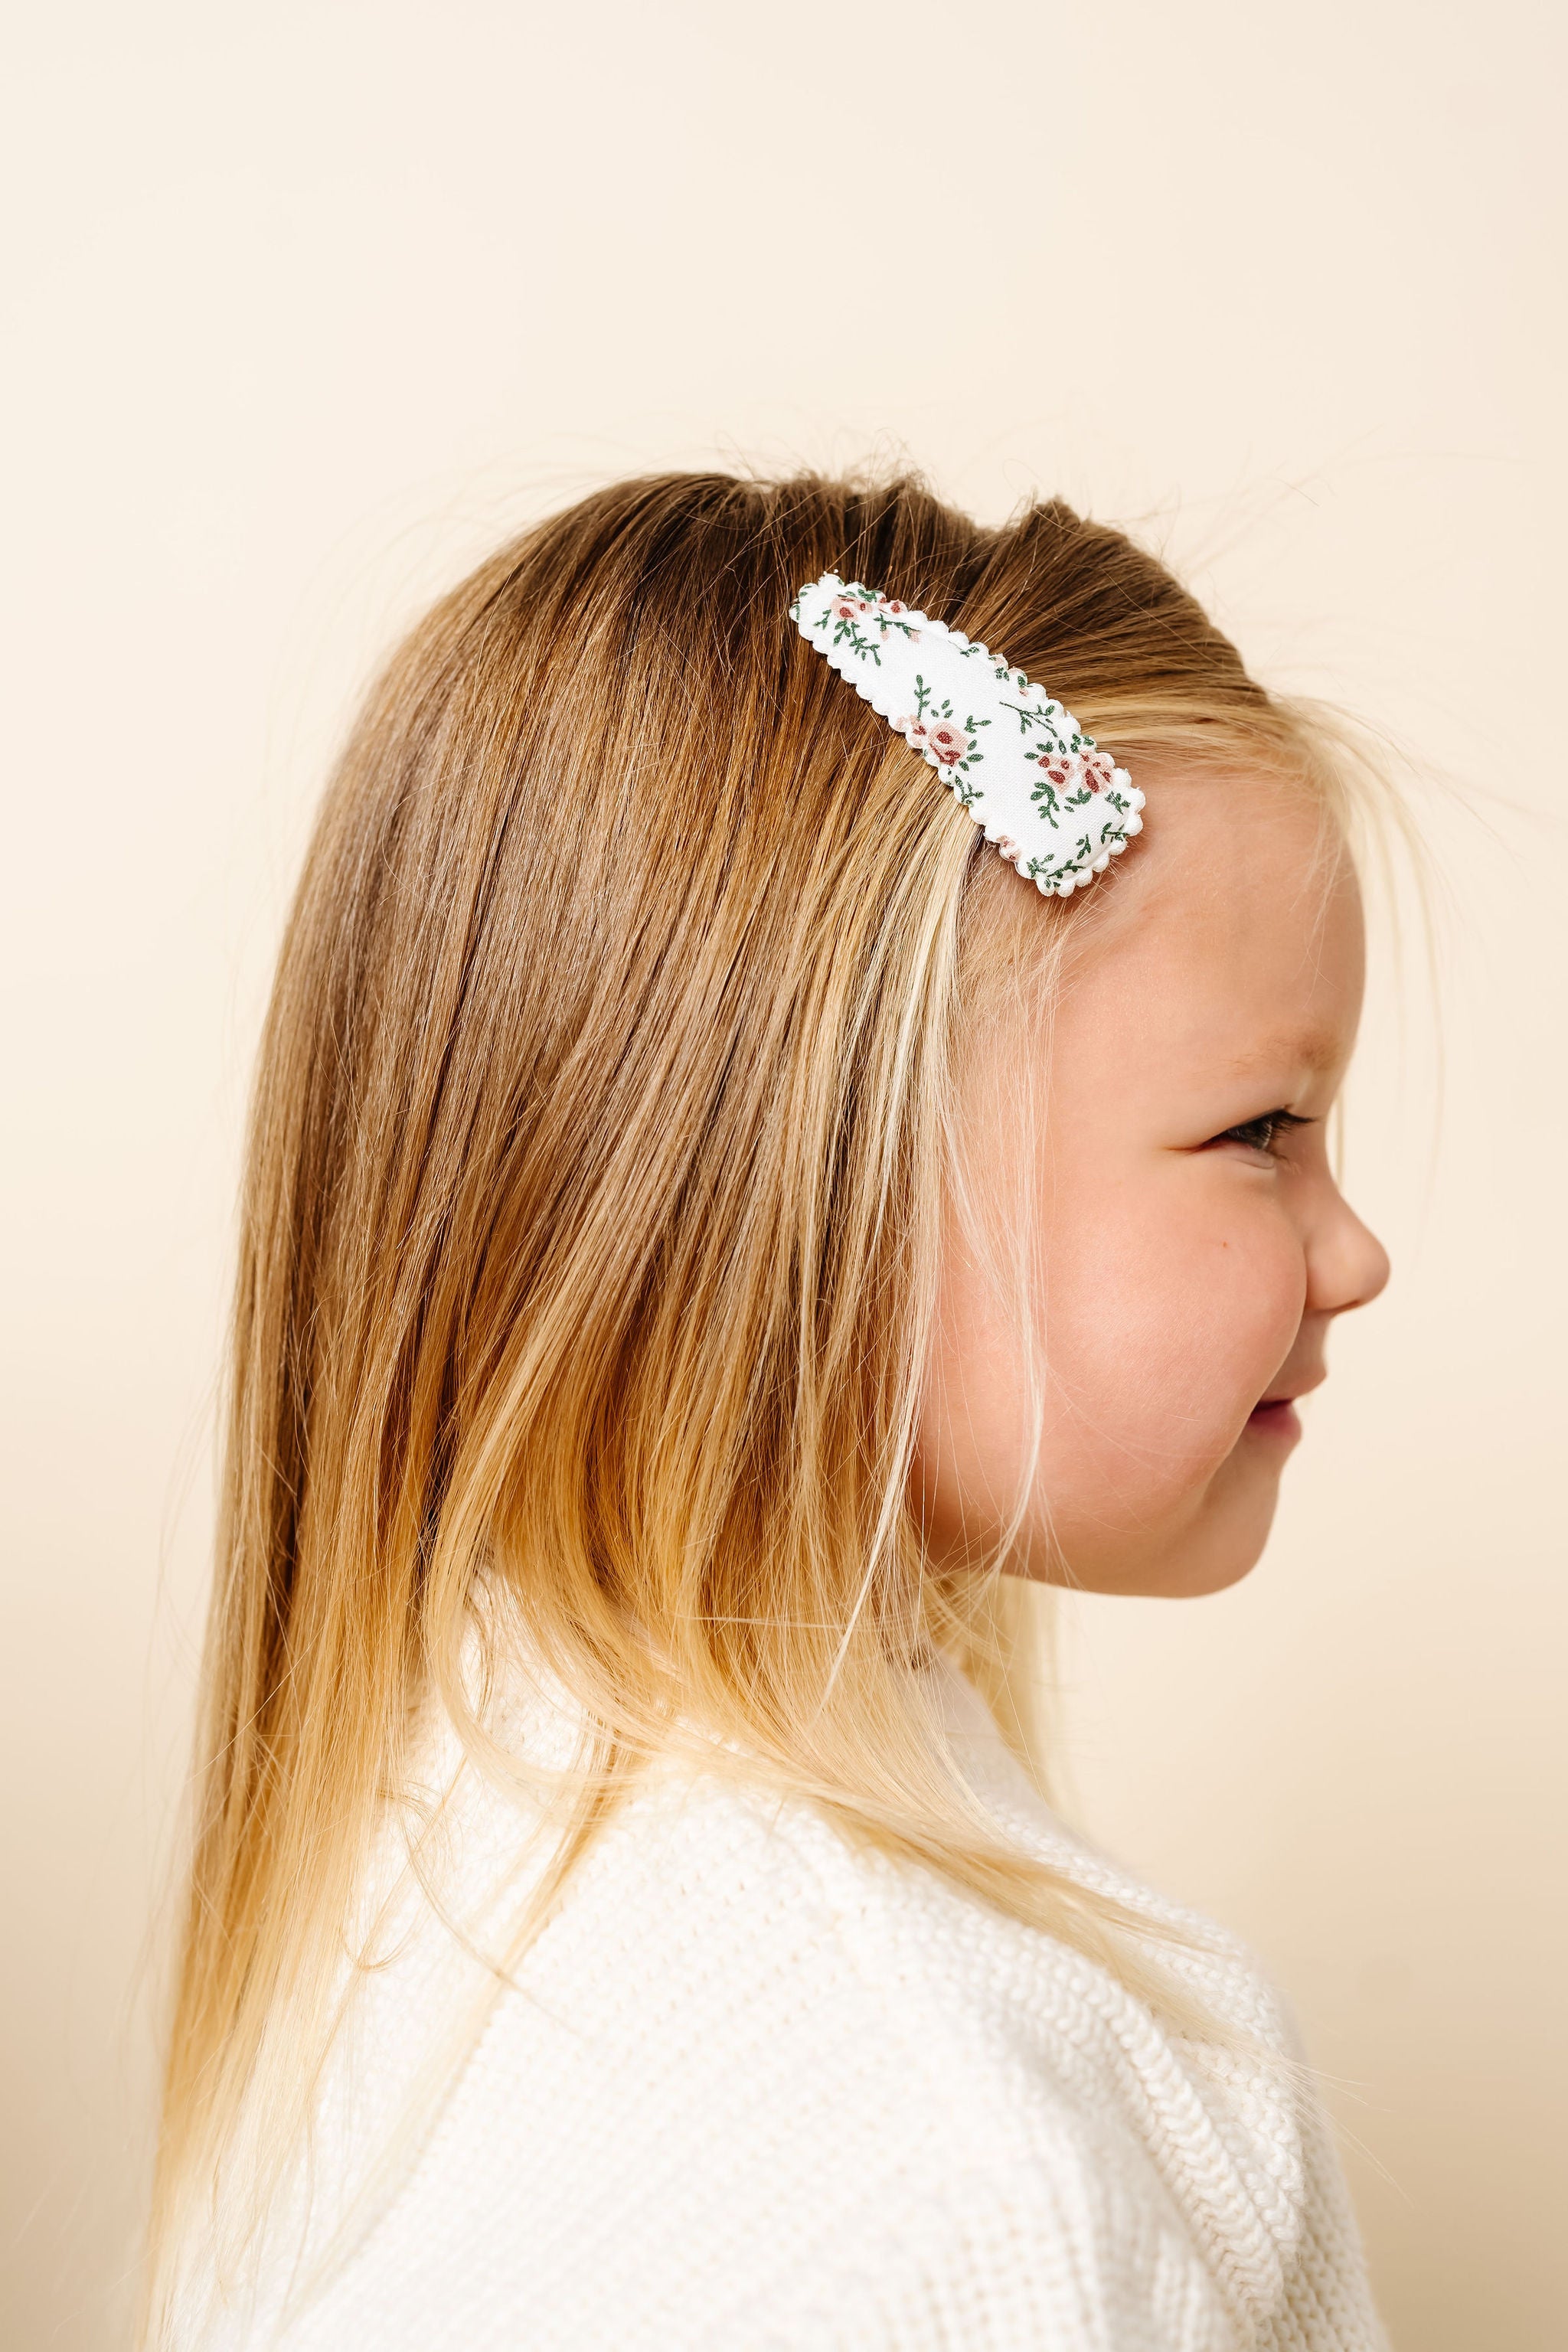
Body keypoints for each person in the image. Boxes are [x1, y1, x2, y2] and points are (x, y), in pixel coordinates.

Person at [149, 469, 1393, 2349]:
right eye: (1257, 1134)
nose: (1355, 1249)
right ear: (807, 1182)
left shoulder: (450, 1857)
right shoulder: (961, 2186)